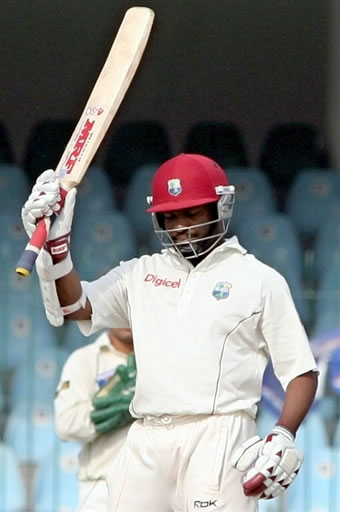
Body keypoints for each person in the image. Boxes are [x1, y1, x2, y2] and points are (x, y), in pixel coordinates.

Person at [22, 153, 318, 512]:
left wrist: (283, 432)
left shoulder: (259, 280)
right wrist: (57, 248)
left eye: (192, 214)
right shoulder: (141, 273)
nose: (182, 227)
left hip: (219, 436)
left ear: (219, 208)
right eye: (171, 216)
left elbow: (301, 371)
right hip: (146, 437)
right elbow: (75, 306)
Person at [54, 327, 136, 512]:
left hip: (156, 484)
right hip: (102, 487)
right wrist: (114, 409)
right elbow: (65, 424)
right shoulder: (85, 359)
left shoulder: (162, 359)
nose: (125, 315)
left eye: (130, 305)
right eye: (119, 306)